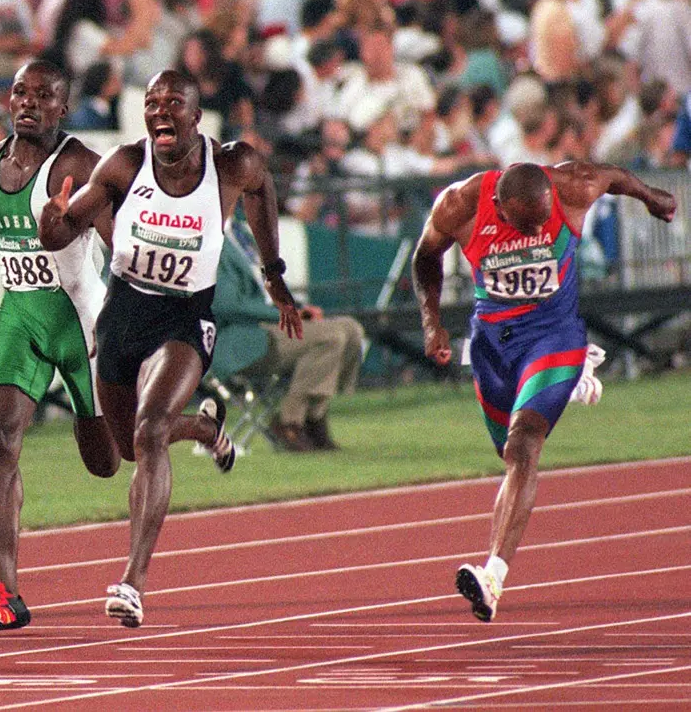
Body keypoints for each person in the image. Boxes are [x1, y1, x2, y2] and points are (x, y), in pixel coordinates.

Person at [39, 69, 303, 628]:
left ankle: (132, 581)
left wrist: (273, 273)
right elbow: (65, 231)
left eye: (173, 102)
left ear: (195, 115)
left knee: (150, 429)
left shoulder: (232, 164)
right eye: (152, 102)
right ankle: (207, 429)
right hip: (124, 311)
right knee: (129, 448)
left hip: (185, 315)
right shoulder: (123, 166)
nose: (161, 110)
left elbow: (263, 194)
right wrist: (51, 224)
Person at [412, 161, 676, 623]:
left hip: (553, 335)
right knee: (507, 452)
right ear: (498, 206)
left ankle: (492, 575)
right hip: (493, 342)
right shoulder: (461, 203)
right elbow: (424, 256)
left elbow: (614, 176)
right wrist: (432, 322)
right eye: (524, 226)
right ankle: (563, 383)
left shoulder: (572, 186)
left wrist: (652, 196)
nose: (534, 234)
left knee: (524, 445)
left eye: (542, 223)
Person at [0, 60, 124, 636]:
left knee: (107, 461)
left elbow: (116, 242)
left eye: (44, 94)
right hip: (21, 313)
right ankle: (7, 591)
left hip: (81, 315)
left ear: (64, 106)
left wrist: (133, 307)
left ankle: (194, 427)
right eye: (19, 92)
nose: (29, 102)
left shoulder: (81, 164)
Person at [211, 222, 364, 452]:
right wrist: (282, 314)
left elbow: (261, 291)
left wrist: (295, 308)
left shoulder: (240, 233)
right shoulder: (214, 239)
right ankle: (289, 421)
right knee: (331, 336)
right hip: (239, 337)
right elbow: (227, 305)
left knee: (352, 330)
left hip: (266, 324)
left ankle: (314, 416)